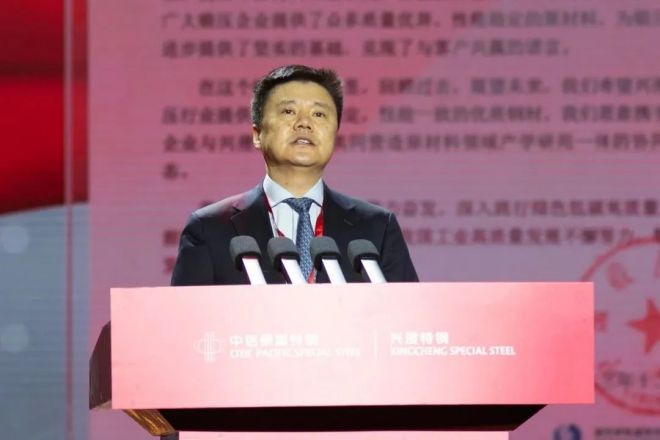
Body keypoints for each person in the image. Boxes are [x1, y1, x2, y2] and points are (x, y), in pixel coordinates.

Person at [171, 65, 418, 285]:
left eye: (319, 114)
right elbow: (187, 317)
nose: (304, 123)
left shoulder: (376, 227)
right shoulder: (209, 228)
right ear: (257, 135)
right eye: (288, 111)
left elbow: (407, 315)